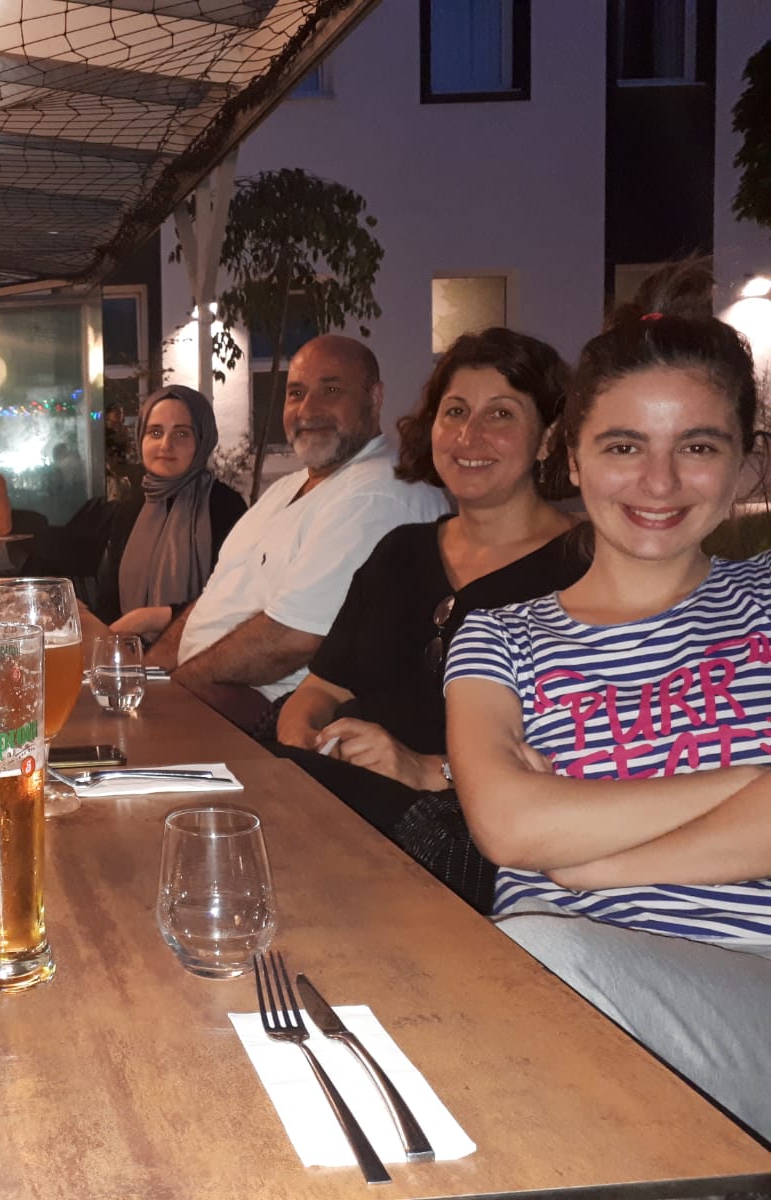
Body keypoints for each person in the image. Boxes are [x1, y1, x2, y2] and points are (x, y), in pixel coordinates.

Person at [445, 264, 771, 1140]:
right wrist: (749, 783)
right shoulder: (498, 637)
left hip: (747, 981)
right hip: (548, 986)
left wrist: (593, 861)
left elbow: (540, 836)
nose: (658, 484)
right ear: (571, 455)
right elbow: (509, 826)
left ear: (743, 461)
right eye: (624, 446)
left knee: (532, 962)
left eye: (697, 447)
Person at [274, 329, 588, 910]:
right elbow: (318, 690)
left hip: (463, 836)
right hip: (346, 801)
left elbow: (581, 757)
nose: (470, 436)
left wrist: (426, 767)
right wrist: (308, 751)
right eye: (456, 412)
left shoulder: (587, 567)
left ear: (548, 437)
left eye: (501, 414)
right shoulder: (400, 551)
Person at [155, 335, 450, 734]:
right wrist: (145, 676)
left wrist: (170, 694)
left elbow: (290, 642)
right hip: (207, 690)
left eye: (331, 390)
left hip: (275, 716)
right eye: (296, 393)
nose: (308, 410)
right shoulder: (288, 487)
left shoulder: (379, 493)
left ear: (375, 397)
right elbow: (213, 600)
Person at [97, 384, 247, 639]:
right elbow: (109, 600)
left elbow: (235, 598)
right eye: (155, 432)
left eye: (182, 434)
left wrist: (152, 619)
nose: (165, 445)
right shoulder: (131, 508)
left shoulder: (225, 506)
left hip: (202, 651)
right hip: (128, 650)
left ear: (202, 440)